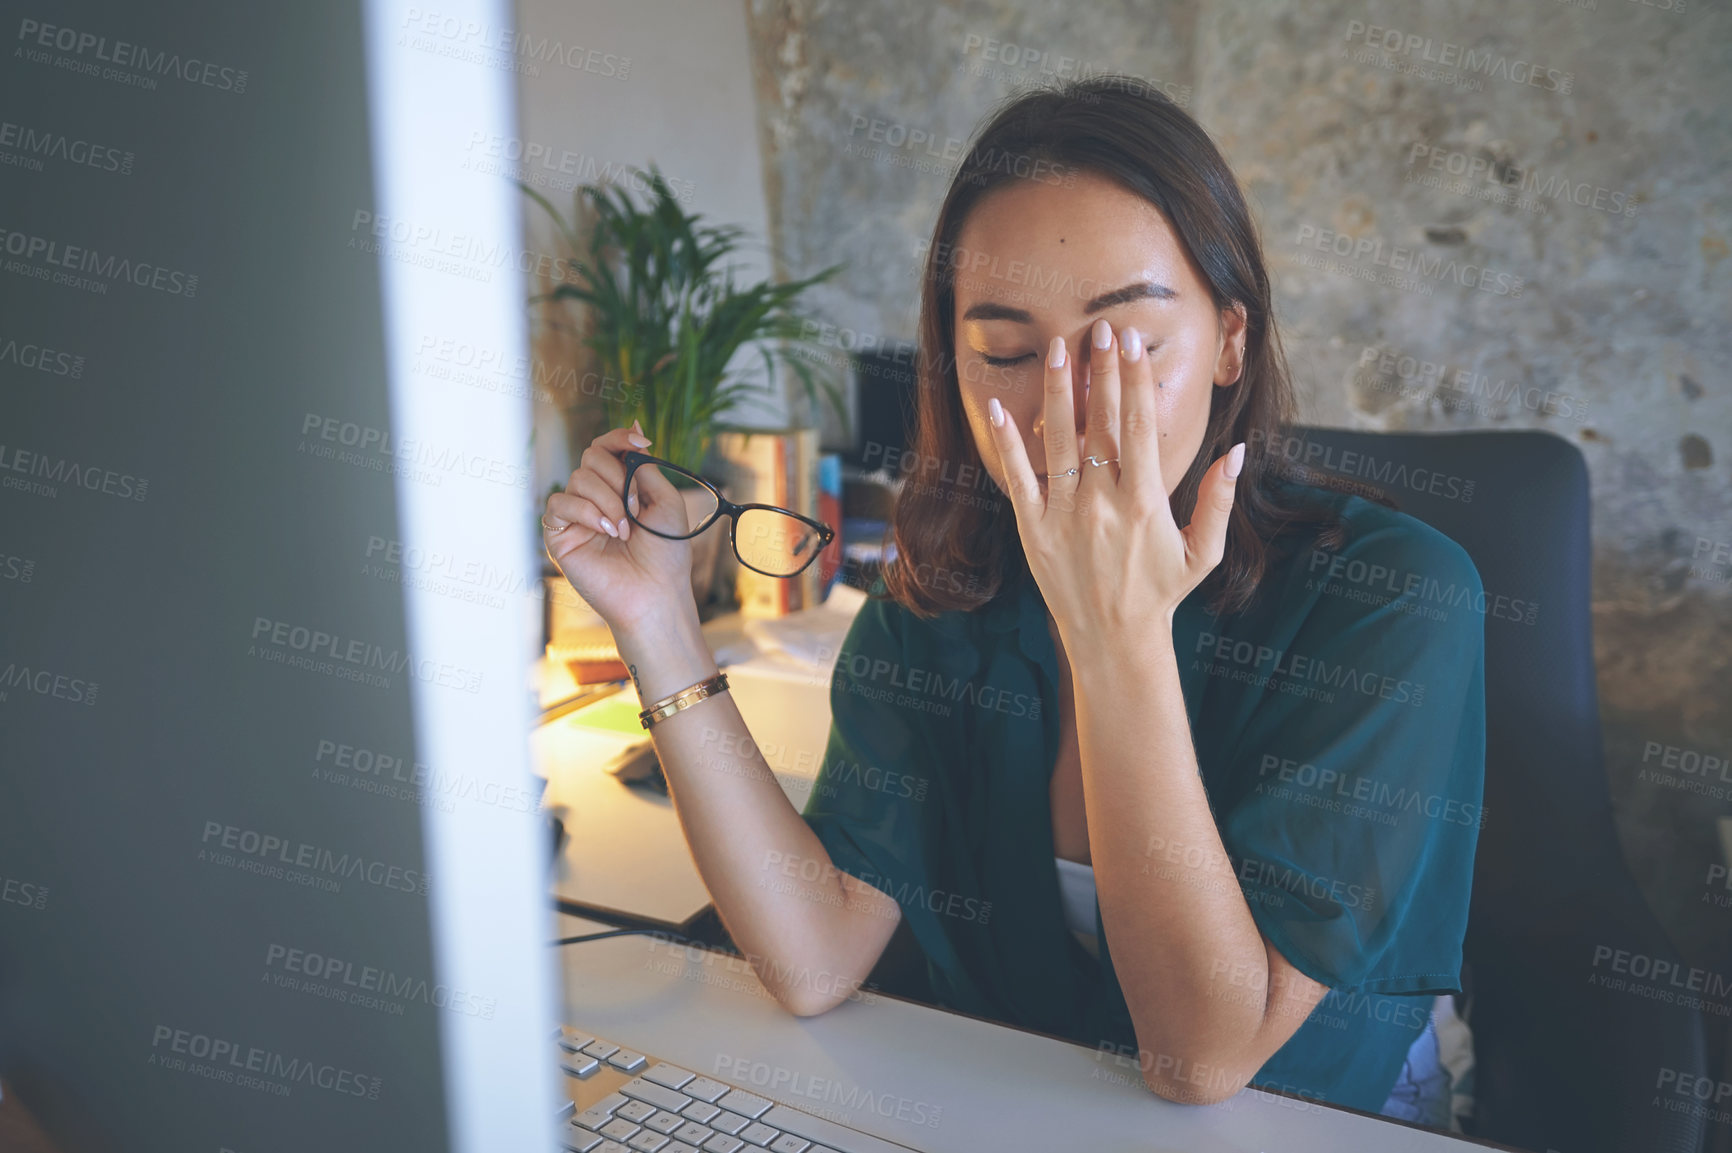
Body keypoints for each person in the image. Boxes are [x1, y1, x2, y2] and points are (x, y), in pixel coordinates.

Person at [540, 75, 1486, 1115]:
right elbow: (814, 956)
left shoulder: (1396, 596)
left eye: (1128, 344)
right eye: (1005, 352)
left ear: (1229, 340)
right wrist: (659, 626)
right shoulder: (948, 586)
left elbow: (1204, 1056)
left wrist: (1116, 633)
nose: (1065, 405)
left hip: (1302, 1113)